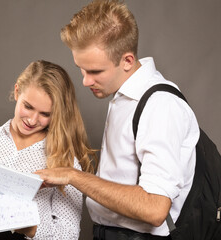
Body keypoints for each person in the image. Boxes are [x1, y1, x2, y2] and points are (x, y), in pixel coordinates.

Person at [35, 0, 200, 239]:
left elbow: (155, 208)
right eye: (82, 69)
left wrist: (73, 176)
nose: (85, 81)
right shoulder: (124, 97)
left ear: (127, 61)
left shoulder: (160, 105)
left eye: (95, 72)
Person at [0, 60, 96, 239]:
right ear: (17, 91)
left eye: (45, 114)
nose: (33, 120)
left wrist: (29, 228)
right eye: (28, 107)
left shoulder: (64, 160)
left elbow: (69, 235)